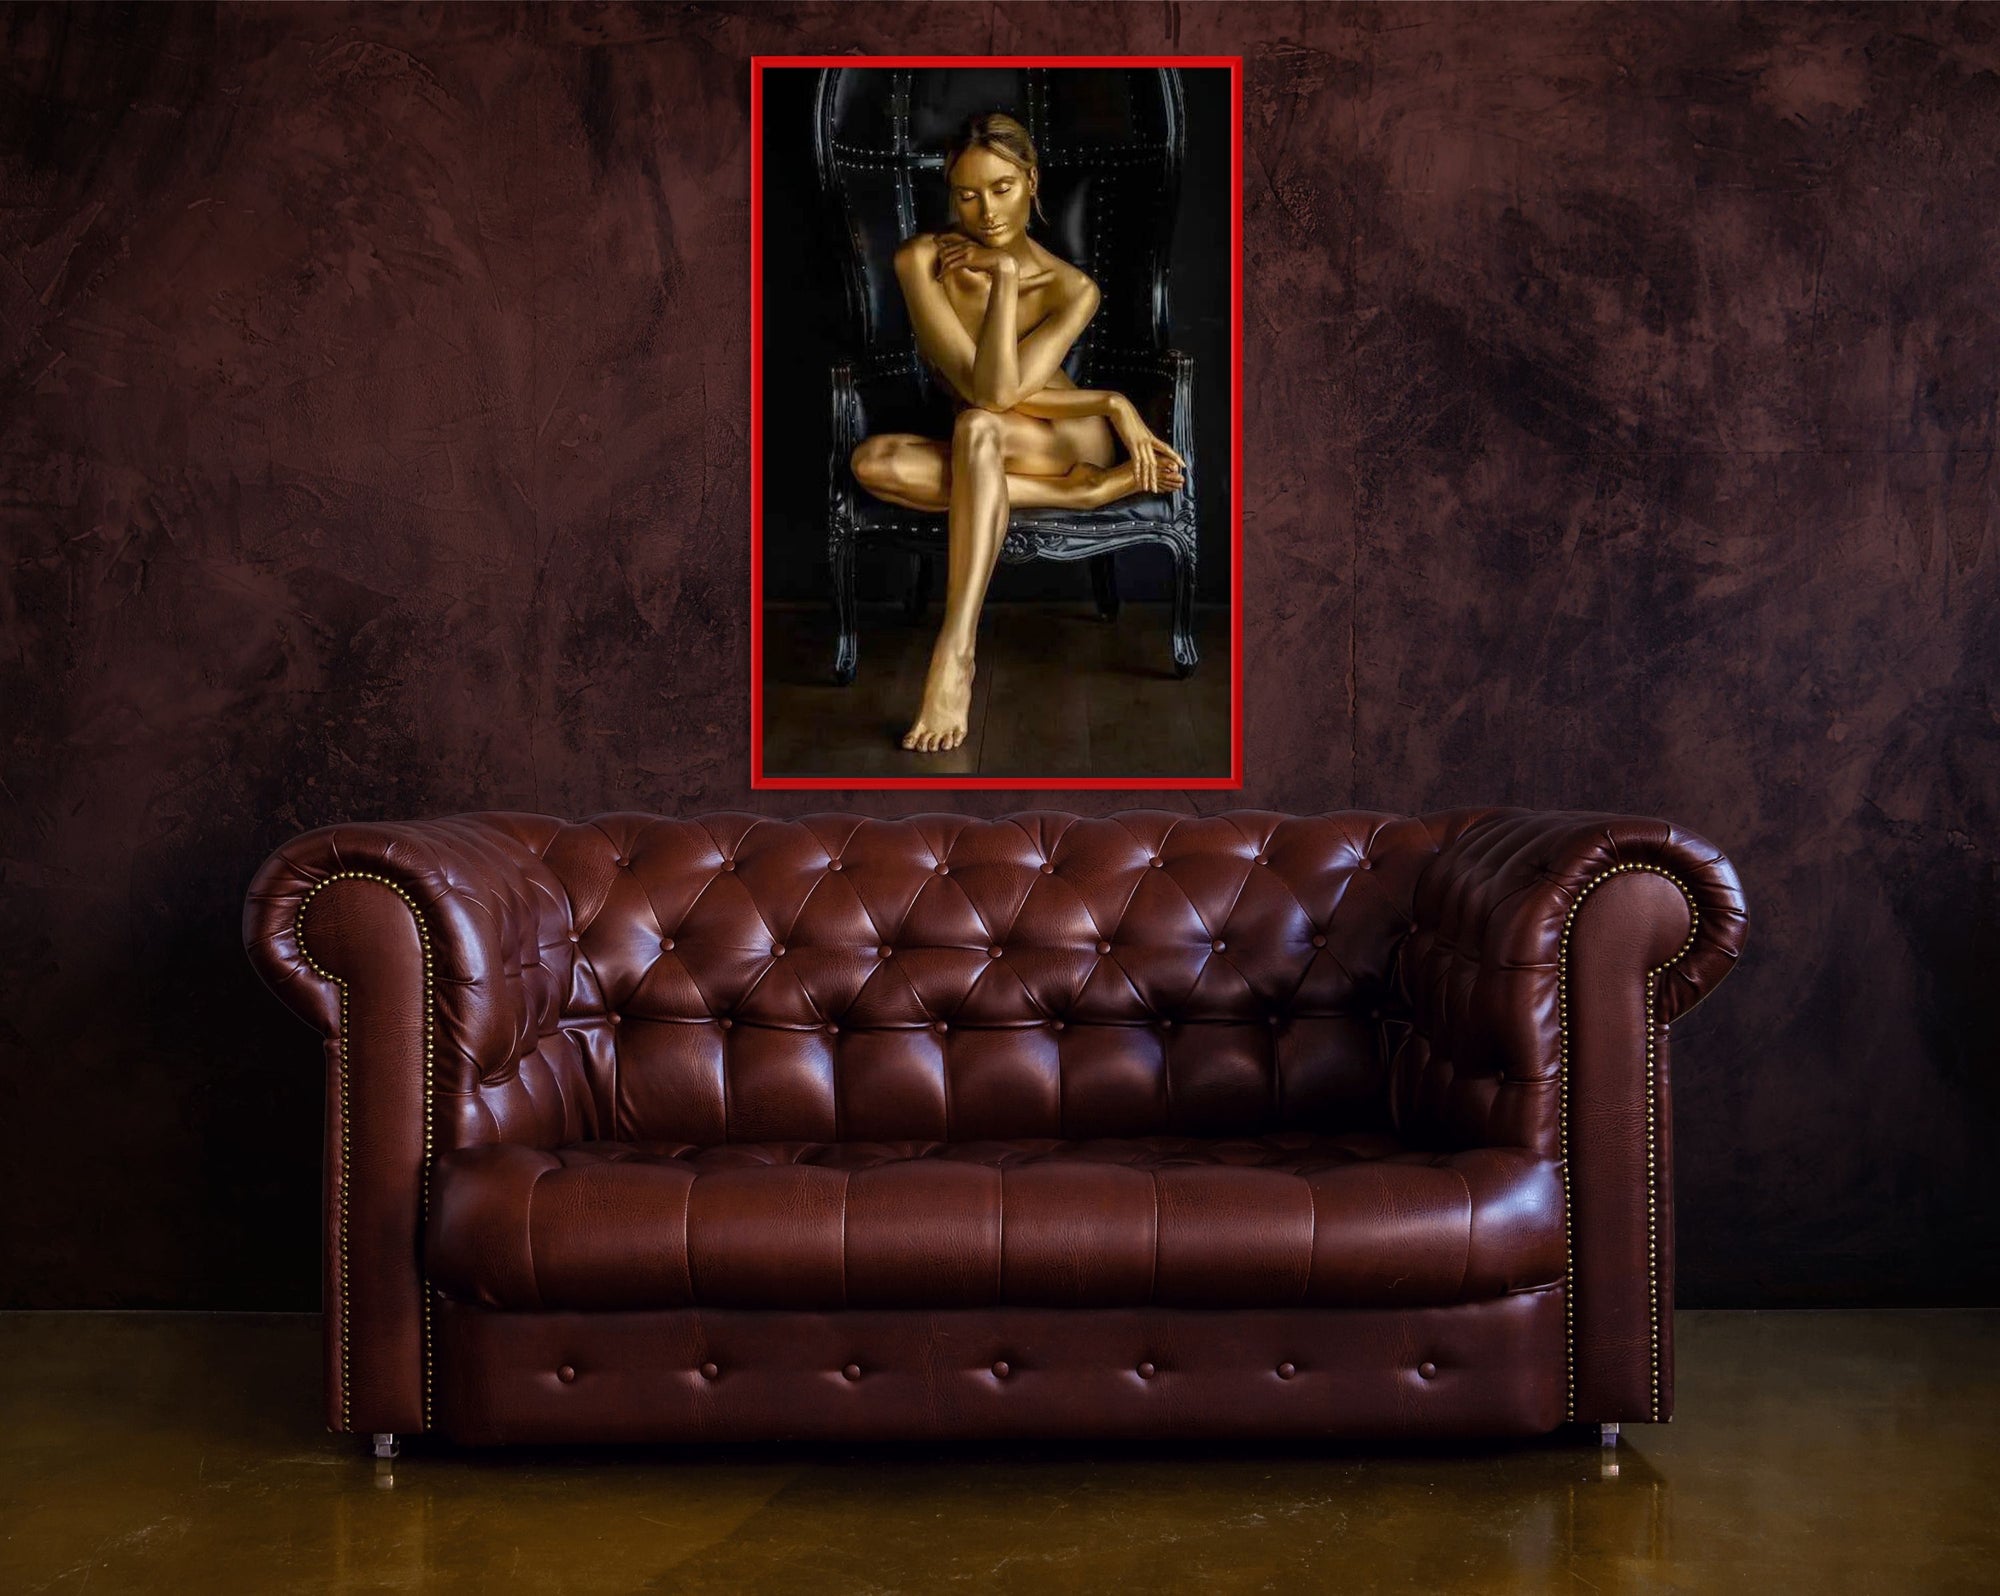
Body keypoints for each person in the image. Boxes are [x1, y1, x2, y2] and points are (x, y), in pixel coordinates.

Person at [847, 111, 1186, 754]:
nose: (986, 211)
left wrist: (1112, 403)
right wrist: (998, 277)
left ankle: (956, 649)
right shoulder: (922, 260)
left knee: (977, 429)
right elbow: (984, 390)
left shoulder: (1073, 287)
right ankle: (1084, 495)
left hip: (1067, 434)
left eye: (1002, 187)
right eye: (967, 193)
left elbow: (1002, 395)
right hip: (996, 443)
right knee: (875, 462)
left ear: (1031, 180)